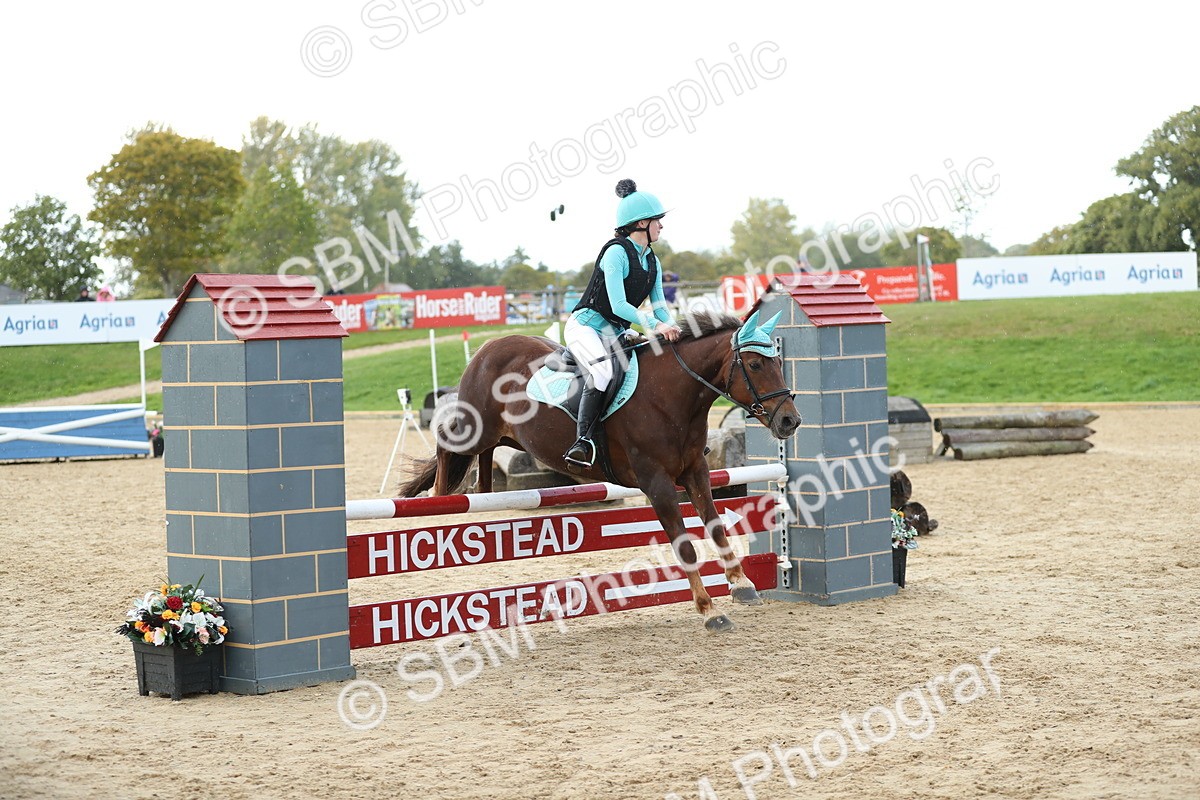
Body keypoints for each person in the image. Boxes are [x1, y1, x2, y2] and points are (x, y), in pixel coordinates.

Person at [562, 178, 682, 467]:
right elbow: (619, 305)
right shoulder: (616, 252)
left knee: (653, 367)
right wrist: (654, 325)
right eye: (658, 221)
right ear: (641, 224)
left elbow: (661, 308)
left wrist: (676, 327)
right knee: (603, 372)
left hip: (617, 330)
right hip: (586, 326)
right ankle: (583, 441)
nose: (661, 226)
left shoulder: (652, 260)